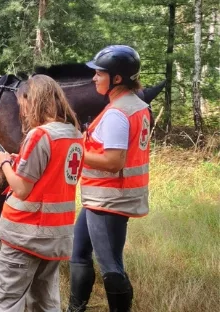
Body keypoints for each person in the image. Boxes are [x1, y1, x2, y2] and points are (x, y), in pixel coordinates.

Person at [67, 45, 151, 312]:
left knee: (111, 267)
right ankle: (75, 308)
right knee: (79, 253)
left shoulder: (117, 114)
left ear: (116, 78)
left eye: (99, 73)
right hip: (104, 197)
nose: (93, 78)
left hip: (109, 198)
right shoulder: (135, 105)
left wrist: (76, 150)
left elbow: (114, 162)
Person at [0, 75, 84, 312]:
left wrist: (4, 162)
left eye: (22, 102)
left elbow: (22, 189)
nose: (21, 109)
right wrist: (19, 160)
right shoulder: (74, 133)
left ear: (30, 100)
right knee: (45, 301)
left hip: (25, 235)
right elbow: (51, 172)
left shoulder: (39, 135)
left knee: (9, 302)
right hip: (56, 235)